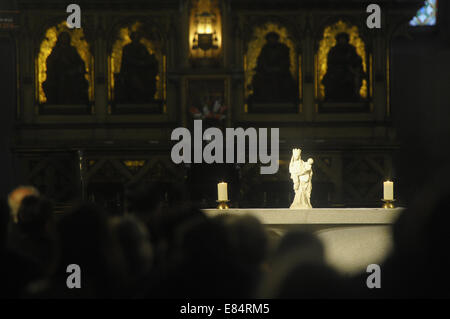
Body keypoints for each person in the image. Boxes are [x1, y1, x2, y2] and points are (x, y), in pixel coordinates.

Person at [322, 32, 366, 101]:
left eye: (344, 39)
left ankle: (355, 95)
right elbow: (330, 62)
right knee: (330, 78)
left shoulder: (351, 49)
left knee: (356, 76)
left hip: (349, 70)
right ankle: (330, 97)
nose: (342, 40)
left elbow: (356, 59)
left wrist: (351, 65)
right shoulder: (333, 50)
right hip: (336, 70)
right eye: (341, 39)